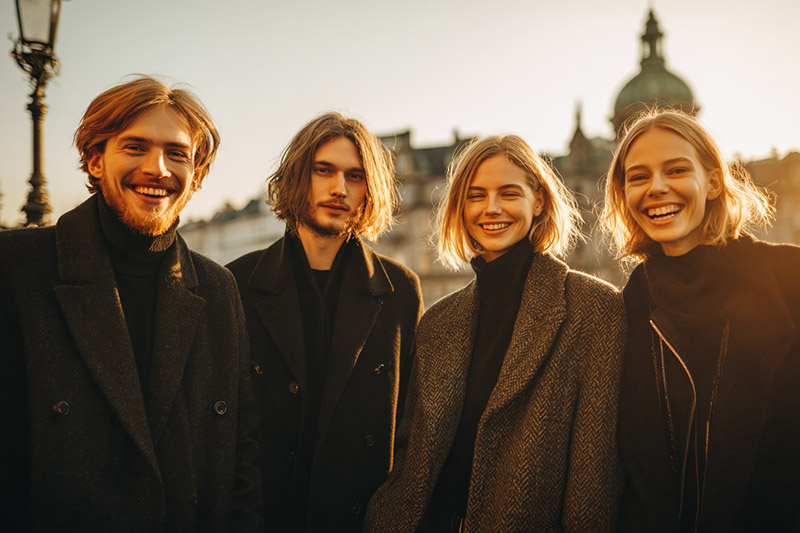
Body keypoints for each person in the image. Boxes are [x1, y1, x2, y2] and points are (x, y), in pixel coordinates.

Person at [0, 76, 263, 531]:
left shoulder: (219, 289)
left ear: (196, 176)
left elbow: (243, 456)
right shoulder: (17, 268)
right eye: (135, 147)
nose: (157, 168)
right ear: (95, 159)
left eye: (177, 153)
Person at [364, 135, 626, 532]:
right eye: (476, 195)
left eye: (509, 193)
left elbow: (594, 476)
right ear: (460, 207)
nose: (491, 208)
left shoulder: (595, 308)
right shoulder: (437, 321)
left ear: (539, 201)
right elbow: (411, 458)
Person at [600, 109, 800, 530]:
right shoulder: (623, 309)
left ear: (713, 182)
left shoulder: (789, 277)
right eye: (638, 177)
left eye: (676, 169)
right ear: (624, 194)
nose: (656, 187)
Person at [226, 112, 423, 532]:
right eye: (324, 170)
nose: (339, 188)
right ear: (297, 176)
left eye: (355, 176)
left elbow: (411, 431)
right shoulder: (236, 284)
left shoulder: (400, 290)